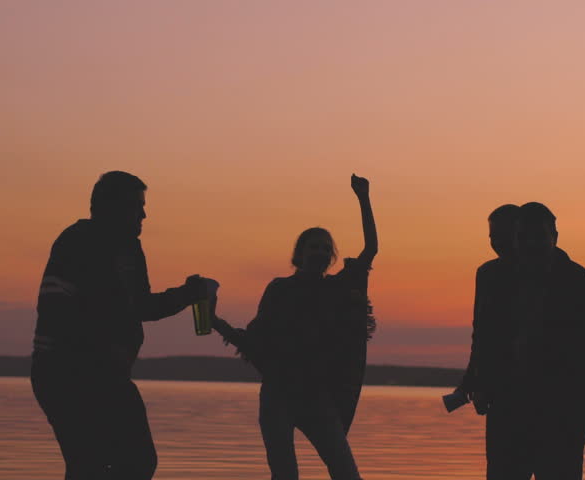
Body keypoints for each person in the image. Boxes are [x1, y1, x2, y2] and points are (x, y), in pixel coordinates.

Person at [30, 171, 217, 480]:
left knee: (139, 462)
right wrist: (97, 352)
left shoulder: (130, 249)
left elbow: (141, 306)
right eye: (137, 205)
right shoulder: (76, 242)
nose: (144, 214)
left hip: (110, 375)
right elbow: (56, 309)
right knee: (89, 465)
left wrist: (186, 294)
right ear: (109, 206)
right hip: (64, 373)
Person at [213, 174, 377, 480]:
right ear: (299, 254)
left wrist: (363, 198)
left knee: (346, 472)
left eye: (325, 248)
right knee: (285, 474)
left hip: (318, 397)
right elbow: (255, 340)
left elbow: (370, 250)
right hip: (278, 394)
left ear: (331, 257)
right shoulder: (279, 290)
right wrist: (215, 323)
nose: (319, 252)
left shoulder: (338, 289)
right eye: (313, 247)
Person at [483, 202, 585, 480]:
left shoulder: (579, 281)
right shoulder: (499, 279)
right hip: (508, 407)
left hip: (563, 410)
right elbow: (488, 338)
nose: (531, 243)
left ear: (555, 237)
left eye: (539, 236)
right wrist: (481, 382)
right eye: (524, 237)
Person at [455, 204, 520, 413]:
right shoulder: (486, 273)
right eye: (493, 237)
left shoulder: (540, 274)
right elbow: (481, 331)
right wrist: (471, 381)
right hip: (493, 383)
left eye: (504, 235)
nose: (498, 243)